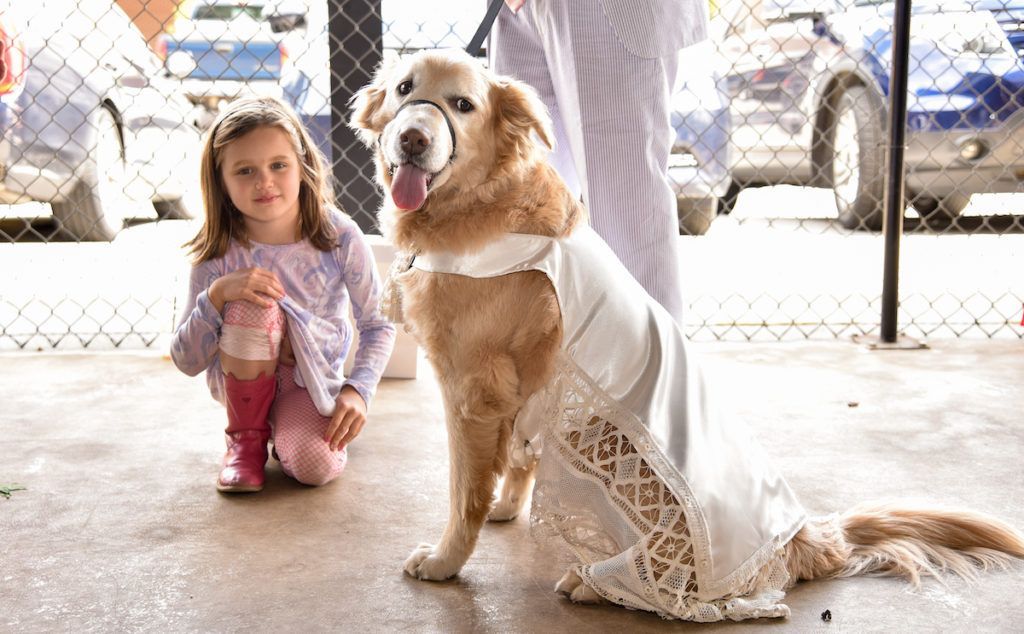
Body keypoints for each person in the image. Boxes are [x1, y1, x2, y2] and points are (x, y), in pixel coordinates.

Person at [170, 96, 396, 493]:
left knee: (315, 468)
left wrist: (358, 390)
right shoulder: (218, 252)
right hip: (240, 379)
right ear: (220, 181)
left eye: (278, 165)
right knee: (249, 296)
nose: (264, 182)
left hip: (307, 384)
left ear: (303, 164)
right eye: (244, 170)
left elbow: (378, 324)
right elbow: (186, 360)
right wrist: (218, 295)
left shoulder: (339, 236)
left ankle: (291, 429)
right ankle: (246, 441)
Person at [489, 0, 709, 323]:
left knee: (626, 220)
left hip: (609, 10)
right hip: (516, 9)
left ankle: (655, 369)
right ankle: (543, 367)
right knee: (520, 212)